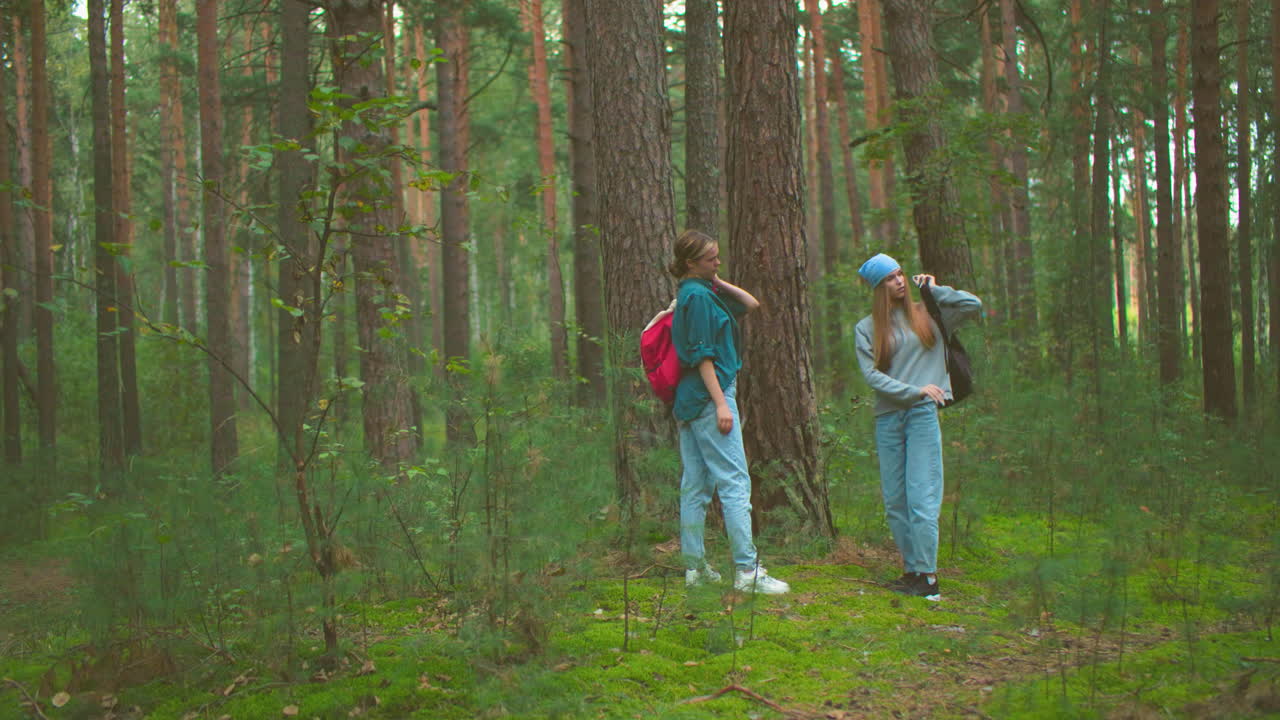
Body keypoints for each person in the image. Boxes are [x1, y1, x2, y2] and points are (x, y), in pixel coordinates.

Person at [854, 253, 981, 601]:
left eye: (900, 274)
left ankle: (928, 578)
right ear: (878, 287)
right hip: (888, 418)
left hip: (923, 415)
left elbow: (973, 305)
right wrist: (912, 389)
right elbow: (871, 375)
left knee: (922, 497)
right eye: (890, 278)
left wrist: (937, 291)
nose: (898, 281)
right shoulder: (866, 328)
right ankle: (911, 571)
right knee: (896, 500)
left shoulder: (930, 314)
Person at [669, 229, 790, 595]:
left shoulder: (701, 292)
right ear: (691, 263)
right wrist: (722, 403)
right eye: (711, 259)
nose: (718, 262)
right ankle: (746, 571)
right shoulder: (699, 298)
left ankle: (695, 568)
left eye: (718, 257)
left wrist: (716, 278)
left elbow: (751, 305)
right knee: (735, 483)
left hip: (691, 401)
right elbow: (702, 356)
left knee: (695, 485)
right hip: (710, 397)